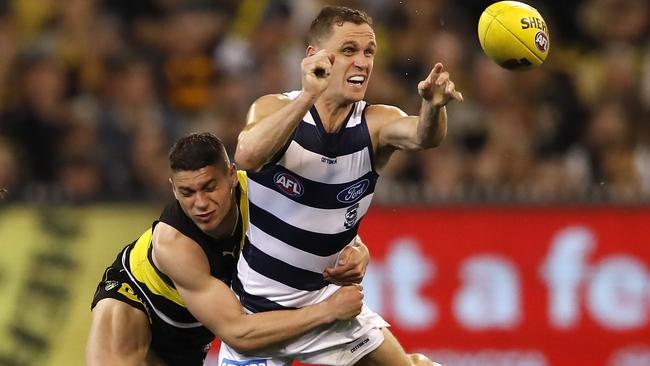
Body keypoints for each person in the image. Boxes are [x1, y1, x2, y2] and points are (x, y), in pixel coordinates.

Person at [222, 5, 463, 366]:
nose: (362, 62)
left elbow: (423, 136)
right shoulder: (273, 108)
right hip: (260, 315)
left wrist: (432, 106)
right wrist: (308, 95)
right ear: (314, 57)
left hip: (330, 305)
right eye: (349, 51)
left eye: (369, 52)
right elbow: (247, 156)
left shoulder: (376, 123)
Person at [86, 132, 371, 366]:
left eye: (209, 187)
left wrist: (359, 251)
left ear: (233, 175)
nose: (200, 203)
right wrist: (328, 311)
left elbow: (324, 228)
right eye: (187, 193)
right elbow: (239, 333)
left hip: (195, 326)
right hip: (136, 299)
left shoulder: (265, 196)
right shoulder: (173, 244)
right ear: (173, 189)